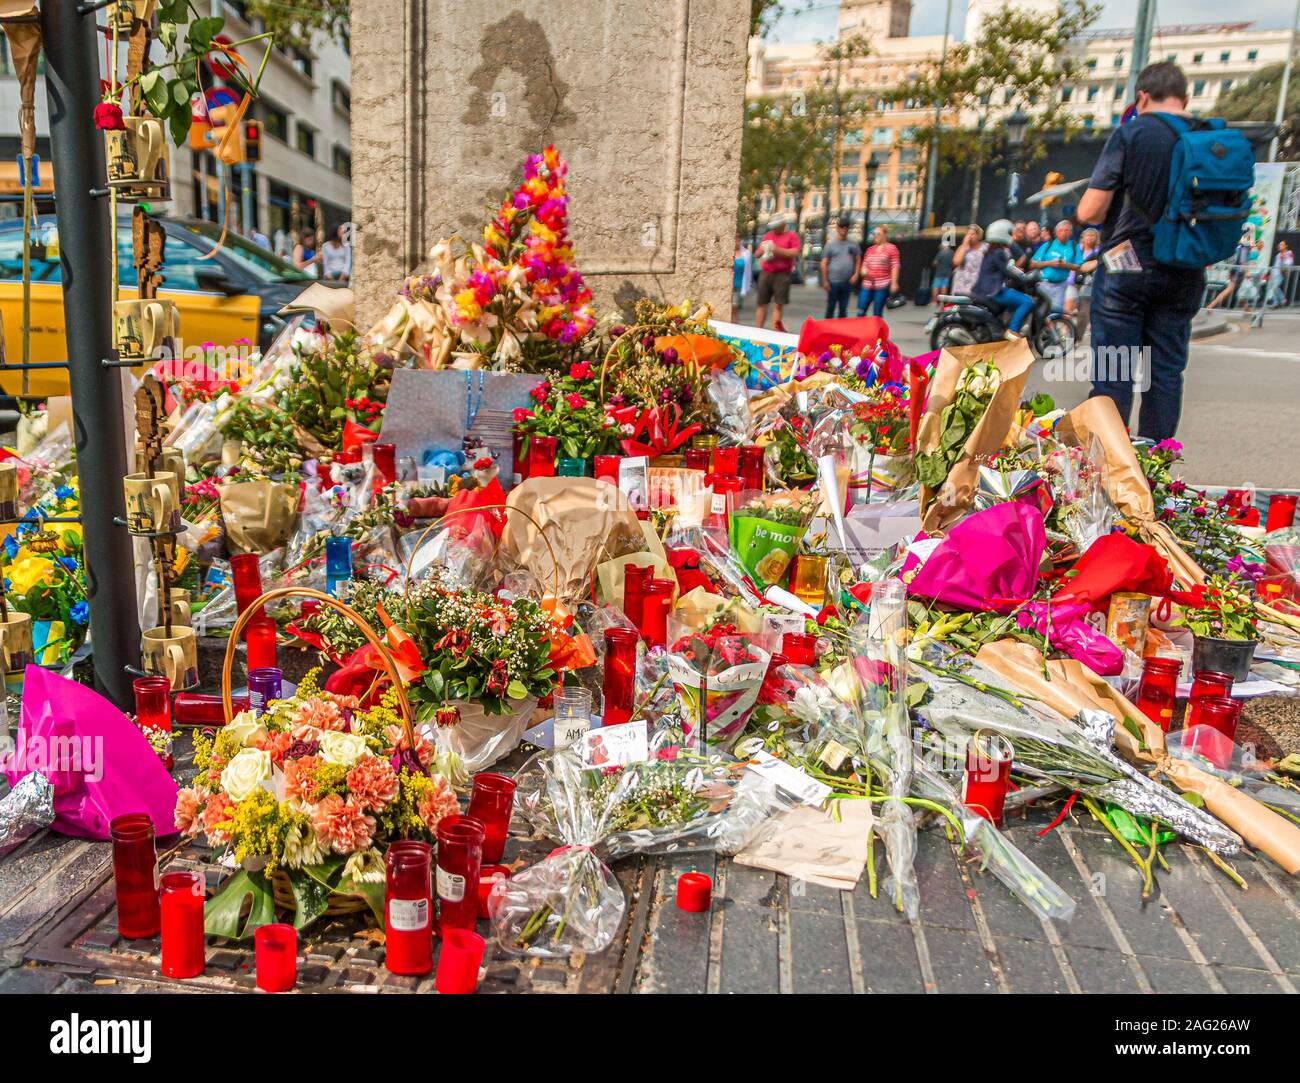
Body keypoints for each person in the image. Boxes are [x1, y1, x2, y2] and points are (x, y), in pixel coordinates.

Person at [1077, 60, 1205, 441]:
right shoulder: (1209, 137)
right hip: (1185, 268)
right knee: (1164, 372)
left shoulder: (1133, 134)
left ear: (1142, 97)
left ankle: (1114, 473)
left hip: (1126, 271)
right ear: (1186, 97)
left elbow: (1090, 211)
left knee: (1115, 372)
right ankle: (1157, 468)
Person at [972, 218, 1034, 335]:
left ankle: (1004, 327)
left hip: (984, 290)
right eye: (1010, 233)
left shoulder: (990, 251)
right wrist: (1023, 277)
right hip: (994, 291)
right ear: (1002, 233)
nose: (1011, 236)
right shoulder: (999, 252)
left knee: (1015, 300)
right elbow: (1008, 271)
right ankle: (1013, 330)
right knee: (1027, 301)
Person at [753, 215, 801, 331]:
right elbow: (757, 254)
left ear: (783, 225)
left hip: (782, 274)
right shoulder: (768, 236)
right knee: (761, 303)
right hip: (766, 273)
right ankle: (758, 331)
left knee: (778, 304)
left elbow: (795, 252)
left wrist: (777, 250)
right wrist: (762, 250)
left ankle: (774, 332)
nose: (774, 229)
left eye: (776, 226)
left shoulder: (792, 236)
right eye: (773, 227)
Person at [1030, 219, 1083, 313]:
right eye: (1062, 230)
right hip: (1044, 284)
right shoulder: (1048, 245)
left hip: (1061, 285)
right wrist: (1049, 263)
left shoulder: (1074, 246)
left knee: (1055, 314)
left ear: (1071, 233)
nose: (1064, 233)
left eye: (1067, 230)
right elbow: (1032, 264)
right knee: (1040, 312)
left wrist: (1065, 265)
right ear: (1057, 232)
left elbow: (1079, 266)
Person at [820, 219, 861, 318]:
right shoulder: (830, 245)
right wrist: (825, 280)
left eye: (846, 227)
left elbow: (858, 260)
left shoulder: (853, 244)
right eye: (842, 227)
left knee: (843, 309)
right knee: (831, 307)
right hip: (833, 281)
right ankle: (827, 330)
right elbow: (824, 263)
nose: (844, 229)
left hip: (847, 282)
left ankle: (840, 331)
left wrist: (856, 274)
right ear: (837, 229)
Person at [857, 225, 900, 317]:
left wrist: (894, 283)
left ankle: (877, 331)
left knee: (877, 313)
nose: (875, 236)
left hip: (882, 285)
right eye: (874, 234)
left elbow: (895, 266)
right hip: (867, 284)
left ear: (885, 235)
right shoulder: (870, 250)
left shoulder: (892, 248)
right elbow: (864, 265)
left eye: (878, 234)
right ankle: (861, 330)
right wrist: (863, 270)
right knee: (860, 310)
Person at [1206, 229, 1254, 310]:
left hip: (1236, 272)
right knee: (1231, 290)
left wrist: (1231, 271)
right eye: (1248, 236)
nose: (1250, 237)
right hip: (1239, 273)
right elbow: (1243, 261)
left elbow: (1233, 260)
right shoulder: (1244, 247)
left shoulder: (1238, 247)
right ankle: (1211, 305)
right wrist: (1246, 272)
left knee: (1241, 291)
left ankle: (1247, 310)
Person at [1067, 226, 1101, 318]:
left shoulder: (1098, 252)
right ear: (1083, 237)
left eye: (1092, 235)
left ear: (1096, 238)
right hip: (1072, 281)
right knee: (1068, 307)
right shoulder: (1077, 248)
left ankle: (1078, 330)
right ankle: (1065, 329)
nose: (1089, 237)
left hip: (1088, 284)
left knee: (1083, 311)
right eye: (1088, 235)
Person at [951, 224, 985, 297]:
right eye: (967, 234)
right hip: (961, 286)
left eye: (972, 234)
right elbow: (956, 262)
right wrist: (964, 245)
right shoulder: (963, 248)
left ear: (979, 236)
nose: (969, 236)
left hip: (976, 285)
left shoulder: (985, 247)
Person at [732, 236, 754, 320]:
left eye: (738, 239)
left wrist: (748, 286)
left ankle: (734, 326)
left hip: (740, 286)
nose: (737, 241)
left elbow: (749, 271)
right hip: (730, 286)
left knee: (735, 309)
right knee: (733, 308)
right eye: (735, 239)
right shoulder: (728, 253)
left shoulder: (746, 254)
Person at [1269, 240, 1294, 307]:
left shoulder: (1289, 253)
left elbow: (1289, 263)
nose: (1279, 246)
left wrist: (1284, 259)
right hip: (1274, 273)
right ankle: (1276, 302)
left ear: (1286, 246)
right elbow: (1275, 264)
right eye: (1279, 245)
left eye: (1281, 245)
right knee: (1273, 287)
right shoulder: (1278, 255)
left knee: (1275, 287)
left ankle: (1283, 299)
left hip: (1280, 274)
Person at [930, 239, 954, 306]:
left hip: (939, 273)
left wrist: (935, 265)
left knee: (935, 287)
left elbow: (935, 263)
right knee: (944, 287)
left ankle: (934, 302)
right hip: (947, 273)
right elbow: (953, 262)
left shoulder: (940, 253)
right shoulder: (951, 252)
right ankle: (942, 302)